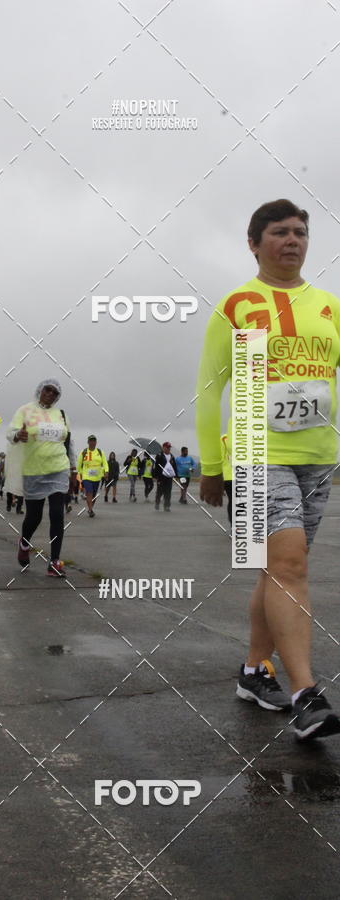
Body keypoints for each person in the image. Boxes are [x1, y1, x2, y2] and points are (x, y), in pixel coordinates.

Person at [196, 198, 340, 740]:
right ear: (254, 243)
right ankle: (307, 694)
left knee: (277, 570)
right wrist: (213, 465)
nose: (293, 240)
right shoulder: (237, 306)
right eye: (279, 232)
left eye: (301, 231)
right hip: (258, 451)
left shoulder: (328, 305)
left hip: (318, 457)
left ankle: (256, 671)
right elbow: (211, 392)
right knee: (290, 566)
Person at [7, 378, 76, 576]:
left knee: (57, 514)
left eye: (55, 393)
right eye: (48, 390)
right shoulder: (25, 410)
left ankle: (54, 561)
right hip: (34, 470)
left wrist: (73, 469)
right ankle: (24, 543)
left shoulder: (61, 415)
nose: (51, 395)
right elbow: (10, 432)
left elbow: (69, 443)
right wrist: (17, 436)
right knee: (33, 517)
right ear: (40, 390)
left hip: (58, 468)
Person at [78, 436, 108, 518]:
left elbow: (105, 463)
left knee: (94, 495)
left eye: (94, 441)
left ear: (96, 442)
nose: (92, 442)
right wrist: (80, 473)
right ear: (88, 442)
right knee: (89, 492)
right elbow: (79, 464)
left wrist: (106, 471)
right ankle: (90, 510)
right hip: (86, 476)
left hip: (97, 477)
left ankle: (90, 507)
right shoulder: (84, 452)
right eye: (91, 441)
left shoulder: (100, 452)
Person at [153, 442, 178, 512]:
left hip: (169, 477)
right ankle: (157, 503)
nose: (169, 449)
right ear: (163, 448)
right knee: (159, 491)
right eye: (167, 447)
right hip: (161, 477)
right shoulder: (159, 456)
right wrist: (155, 476)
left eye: (169, 447)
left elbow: (174, 466)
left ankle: (167, 506)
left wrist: (176, 475)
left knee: (168, 492)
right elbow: (156, 466)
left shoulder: (172, 456)